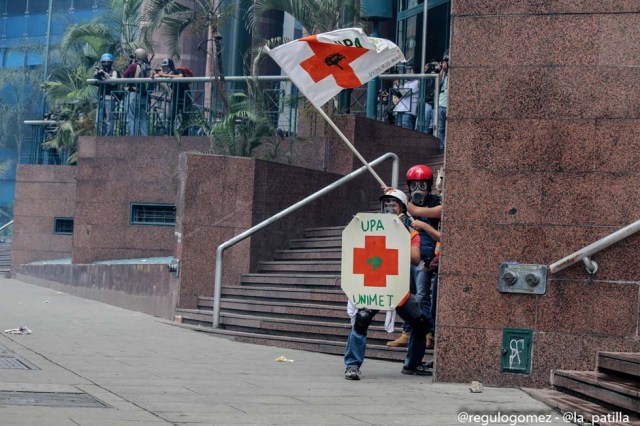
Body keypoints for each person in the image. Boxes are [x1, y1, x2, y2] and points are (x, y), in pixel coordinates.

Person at [344, 189, 433, 380]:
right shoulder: (370, 228)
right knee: (362, 318)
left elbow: (416, 258)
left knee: (421, 324)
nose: (389, 208)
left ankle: (412, 364)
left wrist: (397, 237)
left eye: (393, 204)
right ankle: (352, 365)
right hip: (374, 285)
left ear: (401, 207)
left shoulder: (410, 233)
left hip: (397, 288)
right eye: (386, 204)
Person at [386, 165, 442, 349]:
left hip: (425, 256)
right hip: (408, 253)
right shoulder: (407, 203)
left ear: (430, 185)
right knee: (406, 294)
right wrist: (392, 196)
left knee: (422, 295)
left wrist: (417, 216)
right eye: (414, 185)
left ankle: (426, 332)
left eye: (423, 185)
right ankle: (406, 332)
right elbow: (394, 208)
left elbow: (429, 212)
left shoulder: (435, 201)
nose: (419, 189)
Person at [152, 58, 191, 135]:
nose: (165, 69)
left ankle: (186, 136)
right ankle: (171, 134)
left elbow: (180, 76)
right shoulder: (166, 74)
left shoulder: (177, 71)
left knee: (185, 117)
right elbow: (156, 76)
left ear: (171, 67)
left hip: (185, 97)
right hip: (175, 98)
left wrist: (165, 75)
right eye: (164, 67)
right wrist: (156, 74)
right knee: (172, 116)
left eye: (167, 67)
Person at [122, 48, 151, 136]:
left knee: (132, 116)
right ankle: (144, 136)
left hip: (134, 93)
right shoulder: (148, 67)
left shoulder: (134, 66)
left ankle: (133, 137)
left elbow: (124, 76)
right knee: (143, 117)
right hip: (144, 95)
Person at [93, 53, 120, 136]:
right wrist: (98, 73)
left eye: (108, 62)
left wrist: (105, 74)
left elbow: (113, 81)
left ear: (111, 63)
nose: (106, 64)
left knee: (109, 119)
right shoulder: (99, 70)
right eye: (104, 62)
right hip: (101, 97)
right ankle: (101, 135)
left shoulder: (114, 72)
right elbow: (94, 77)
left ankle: (108, 137)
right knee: (99, 119)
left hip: (110, 97)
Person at [392, 63, 419, 129]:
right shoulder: (406, 83)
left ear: (415, 72)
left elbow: (405, 93)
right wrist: (396, 86)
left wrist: (398, 89)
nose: (408, 72)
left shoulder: (417, 82)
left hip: (409, 111)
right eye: (407, 71)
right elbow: (396, 94)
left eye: (410, 71)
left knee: (406, 129)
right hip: (400, 109)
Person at [418, 61, 438, 134]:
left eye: (434, 66)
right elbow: (419, 84)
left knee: (436, 124)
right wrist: (425, 70)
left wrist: (439, 68)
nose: (433, 67)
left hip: (436, 103)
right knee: (425, 122)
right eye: (431, 66)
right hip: (427, 101)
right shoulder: (426, 76)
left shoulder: (439, 74)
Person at [437, 51, 449, 151]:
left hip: (449, 103)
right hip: (442, 102)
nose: (446, 62)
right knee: (440, 127)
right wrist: (442, 69)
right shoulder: (444, 73)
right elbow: (437, 83)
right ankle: (442, 146)